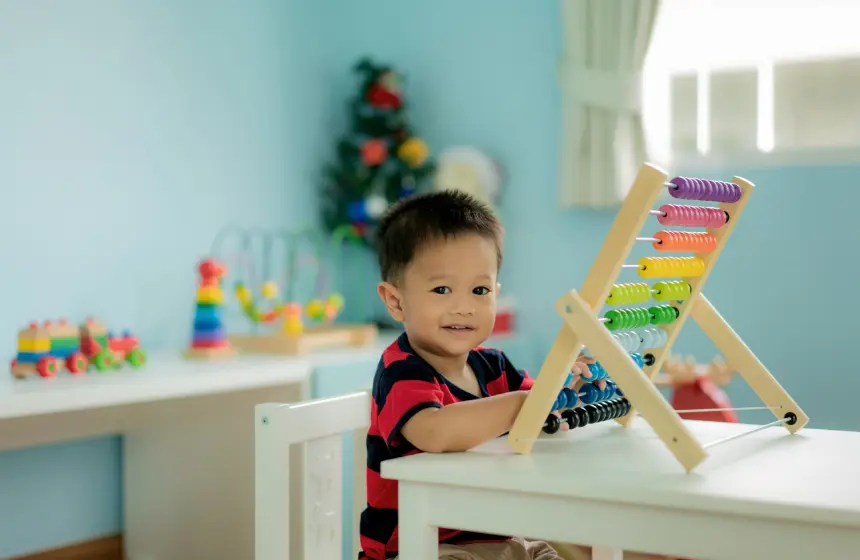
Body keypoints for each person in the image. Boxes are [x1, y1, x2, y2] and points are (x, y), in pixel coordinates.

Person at [358, 190, 601, 560]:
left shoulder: (494, 367)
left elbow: (545, 413)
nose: (464, 307)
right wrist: (521, 403)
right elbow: (433, 431)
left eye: (480, 290)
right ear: (395, 301)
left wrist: (573, 382)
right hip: (422, 545)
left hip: (503, 537)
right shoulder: (401, 369)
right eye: (442, 289)